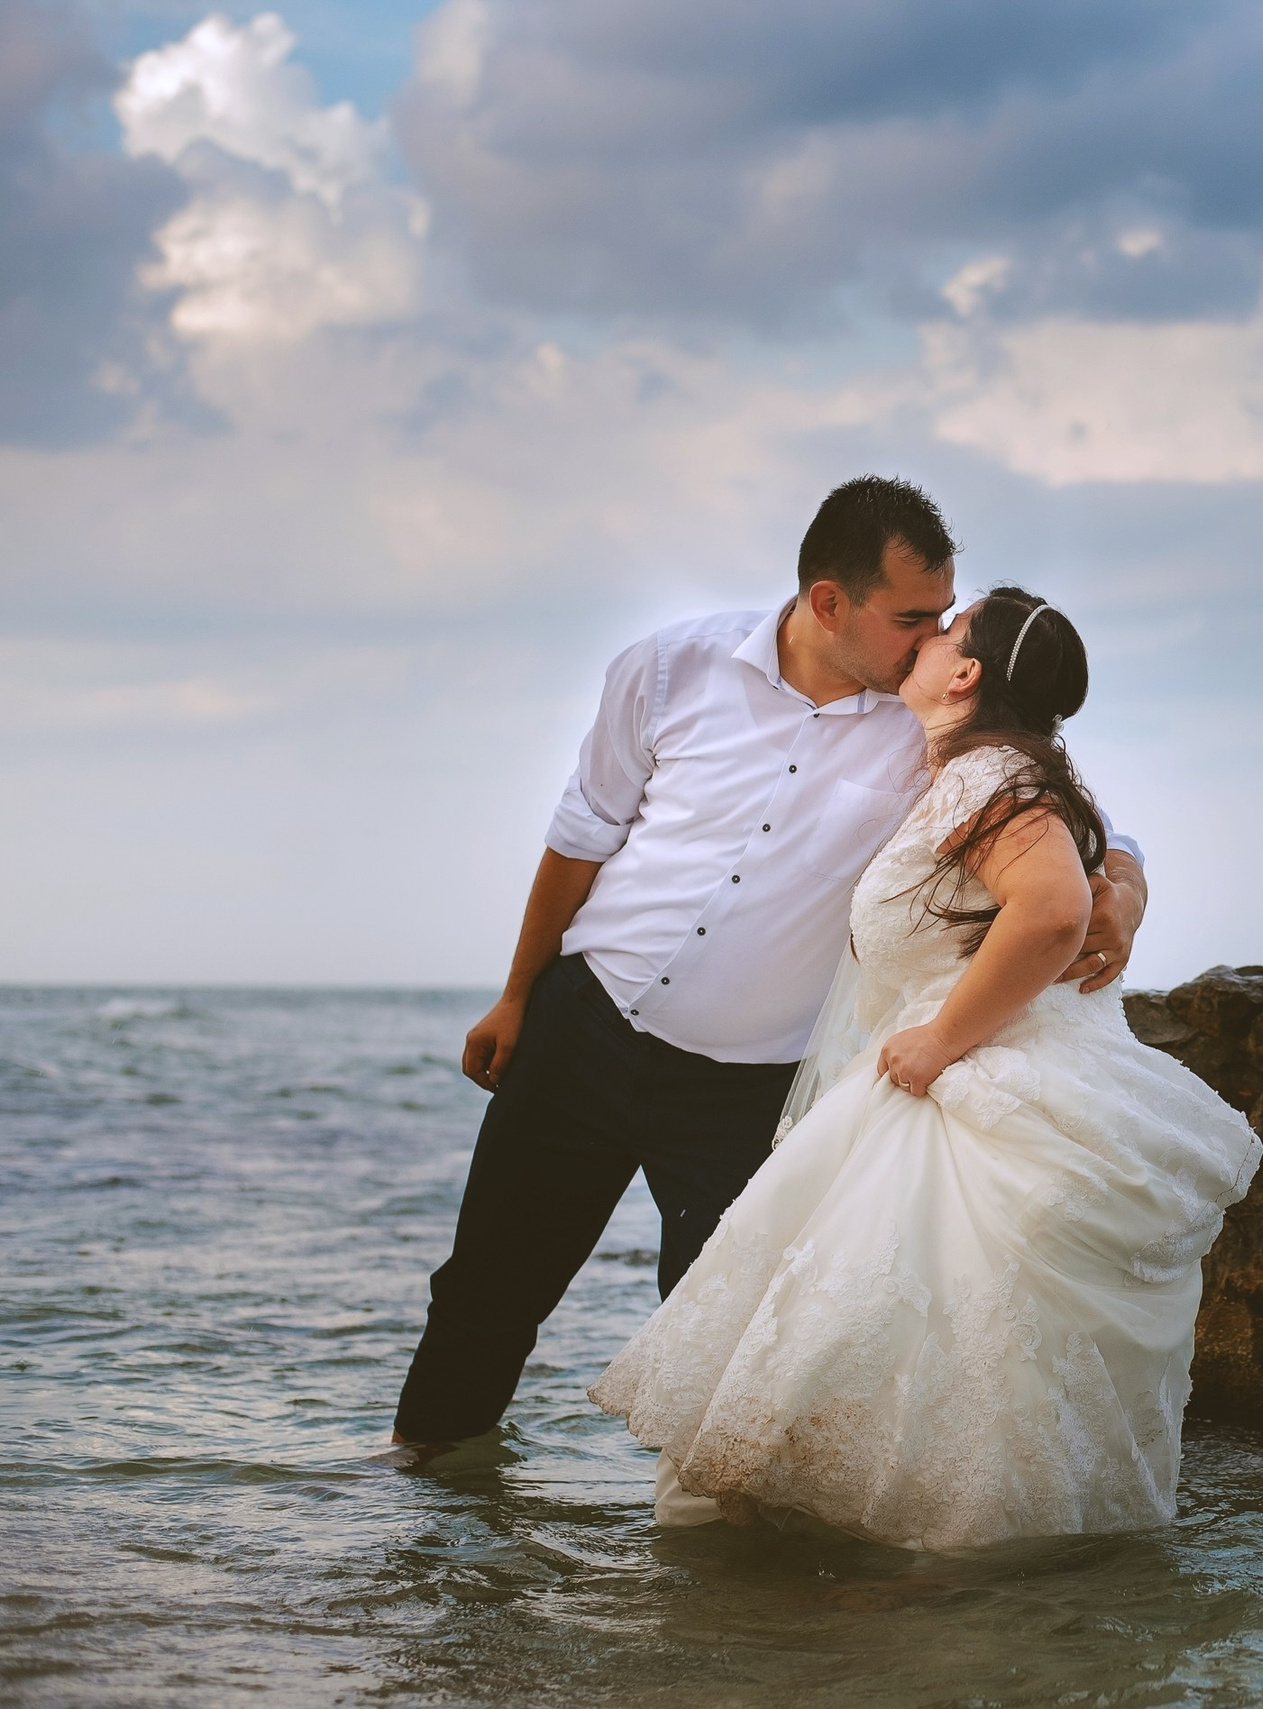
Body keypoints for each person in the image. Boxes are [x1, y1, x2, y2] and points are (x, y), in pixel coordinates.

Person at [388, 477, 1150, 1457]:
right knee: (486, 1286)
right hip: (586, 1024)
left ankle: (717, 1587)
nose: (932, 639)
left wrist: (1120, 882)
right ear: (828, 601)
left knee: (725, 1331)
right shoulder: (669, 666)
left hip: (746, 1087)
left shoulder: (933, 721)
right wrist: (518, 993)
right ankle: (419, 1512)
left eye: (942, 618)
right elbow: (582, 833)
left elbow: (1061, 803)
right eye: (911, 617)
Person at [589, 589, 1262, 1550]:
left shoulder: (990, 777)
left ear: (968, 672)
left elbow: (1052, 911)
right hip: (942, 1083)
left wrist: (943, 1036)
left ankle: (898, 1575)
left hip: (958, 1092)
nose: (930, 636)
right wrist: (1125, 875)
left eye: (948, 628)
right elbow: (1080, 860)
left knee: (934, 1351)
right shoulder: (980, 766)